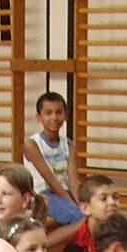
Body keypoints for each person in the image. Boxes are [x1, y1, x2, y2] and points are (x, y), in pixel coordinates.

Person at [21, 92, 83, 234]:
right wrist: (73, 204)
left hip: (64, 192)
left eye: (59, 112)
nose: (54, 117)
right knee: (79, 216)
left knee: (94, 211)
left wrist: (82, 202)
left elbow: (73, 180)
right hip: (43, 195)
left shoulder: (69, 145)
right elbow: (52, 181)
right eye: (48, 113)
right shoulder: (32, 144)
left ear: (65, 115)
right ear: (39, 117)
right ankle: (49, 243)